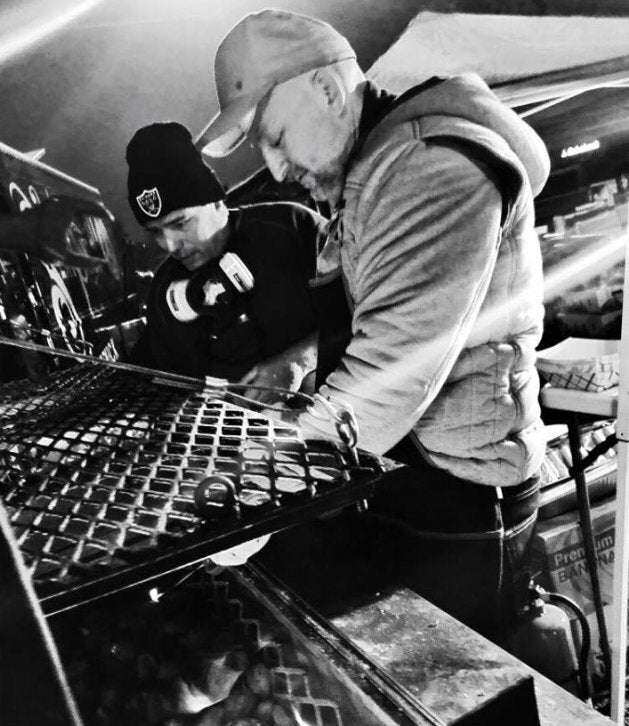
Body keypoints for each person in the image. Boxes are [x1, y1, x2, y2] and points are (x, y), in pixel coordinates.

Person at [198, 9, 551, 642]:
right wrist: (303, 356)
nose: (276, 171)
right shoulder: (370, 170)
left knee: (466, 696)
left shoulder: (428, 165)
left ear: (328, 90)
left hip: (465, 505)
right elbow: (387, 311)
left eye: (275, 136)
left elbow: (388, 378)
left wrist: (245, 508)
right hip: (409, 480)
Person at [126, 121, 327, 403]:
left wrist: (301, 360)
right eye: (156, 232)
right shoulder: (165, 291)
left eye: (180, 223)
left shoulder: (293, 226)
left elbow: (367, 309)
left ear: (216, 201)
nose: (170, 245)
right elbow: (166, 385)